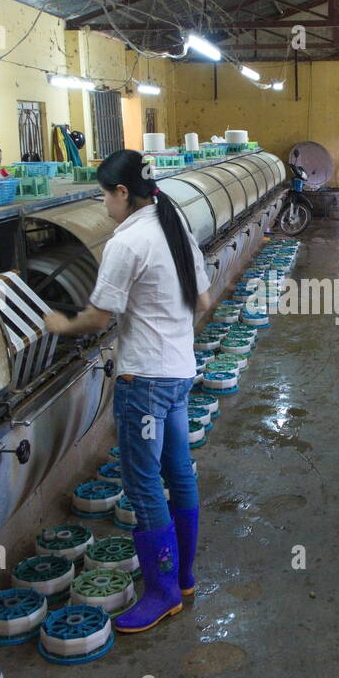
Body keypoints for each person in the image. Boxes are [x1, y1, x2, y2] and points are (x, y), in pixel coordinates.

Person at [44, 149, 212, 633]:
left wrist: (59, 323)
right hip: (179, 372)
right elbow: (201, 299)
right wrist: (169, 329)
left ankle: (159, 595)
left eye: (104, 195)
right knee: (178, 474)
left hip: (144, 382)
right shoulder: (174, 224)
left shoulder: (128, 243)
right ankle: (182, 578)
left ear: (122, 192)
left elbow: (99, 318)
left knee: (143, 486)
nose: (103, 205)